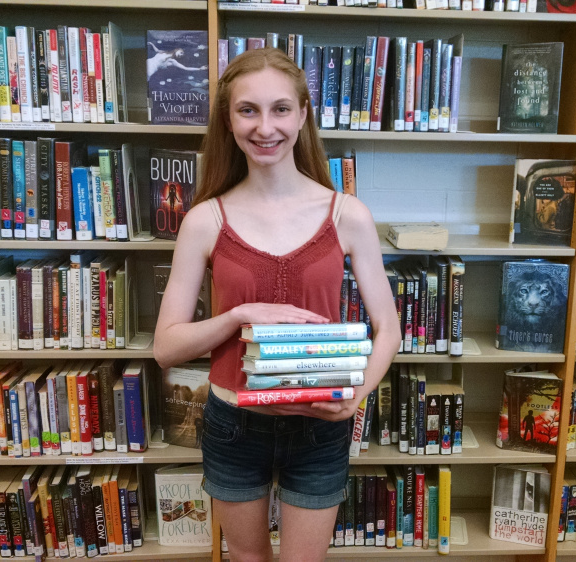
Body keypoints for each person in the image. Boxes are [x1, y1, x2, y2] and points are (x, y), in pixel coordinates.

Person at [153, 48, 401, 562]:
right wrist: (239, 315)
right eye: (248, 110)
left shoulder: (347, 215)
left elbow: (389, 328)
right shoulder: (205, 220)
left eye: (280, 109)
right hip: (231, 422)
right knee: (247, 558)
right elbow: (165, 348)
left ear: (304, 114)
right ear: (228, 119)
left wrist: (355, 399)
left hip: (320, 424)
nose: (265, 127)